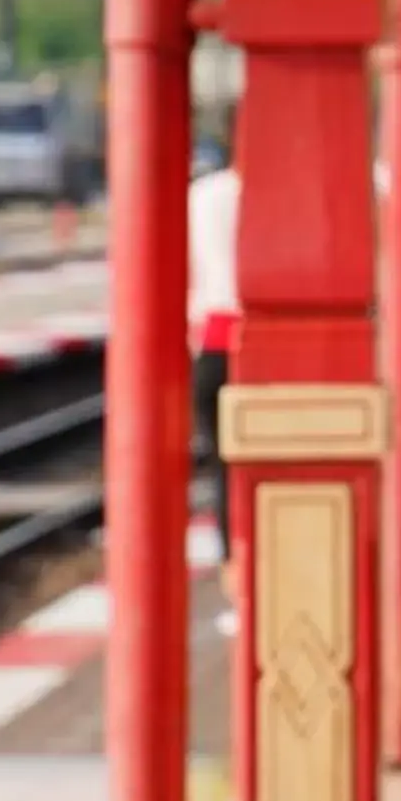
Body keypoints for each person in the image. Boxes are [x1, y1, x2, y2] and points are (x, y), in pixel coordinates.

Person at [186, 129, 240, 630]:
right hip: (262, 347)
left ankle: (234, 584)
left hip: (213, 341)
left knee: (223, 470)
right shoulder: (269, 199)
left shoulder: (201, 196)